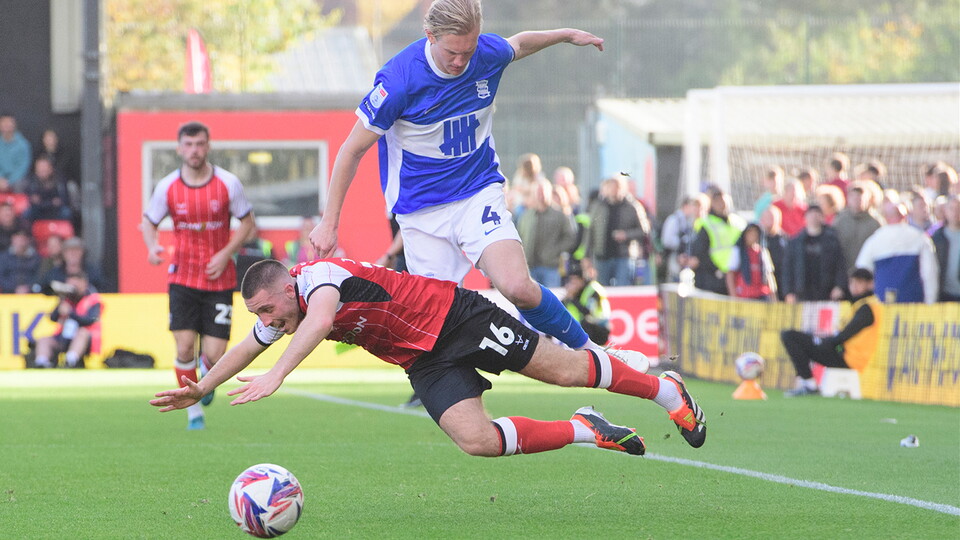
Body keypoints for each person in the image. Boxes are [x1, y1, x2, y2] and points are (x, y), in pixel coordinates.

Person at [308, 0, 621, 362]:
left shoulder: (485, 53)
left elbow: (520, 43)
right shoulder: (398, 81)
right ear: (430, 35)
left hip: (477, 192)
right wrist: (329, 223)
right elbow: (350, 151)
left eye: (468, 51)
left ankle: (592, 351)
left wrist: (566, 35)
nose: (460, 62)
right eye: (452, 52)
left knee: (518, 286)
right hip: (421, 211)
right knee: (434, 323)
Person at [150, 258, 707, 457]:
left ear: (285, 288)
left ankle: (665, 392)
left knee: (568, 369)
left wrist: (277, 374)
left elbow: (320, 322)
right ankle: (589, 432)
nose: (267, 321)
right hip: (425, 360)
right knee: (478, 442)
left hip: (457, 319)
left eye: (269, 309)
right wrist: (203, 387)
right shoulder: (282, 311)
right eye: (261, 314)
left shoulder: (318, 282)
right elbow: (247, 345)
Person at [141, 121, 256, 430]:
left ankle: (207, 376)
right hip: (182, 277)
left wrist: (226, 252)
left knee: (215, 355)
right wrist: (152, 247)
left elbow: (247, 224)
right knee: (183, 347)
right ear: (180, 149)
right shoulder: (167, 187)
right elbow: (149, 221)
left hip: (219, 278)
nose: (194, 150)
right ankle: (193, 411)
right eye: (189, 145)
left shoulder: (228, 183)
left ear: (208, 146)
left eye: (200, 144)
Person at [781, 268, 882, 397]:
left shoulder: (867, 308)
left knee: (790, 337)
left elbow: (844, 335)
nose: (854, 287)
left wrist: (824, 341)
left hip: (848, 358)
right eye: (852, 283)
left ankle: (809, 384)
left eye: (859, 283)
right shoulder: (860, 304)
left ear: (870, 284)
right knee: (799, 338)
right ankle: (808, 382)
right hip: (845, 354)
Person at [855, 199, 939, 304]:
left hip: (882, 303)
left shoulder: (874, 240)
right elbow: (930, 273)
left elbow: (861, 271)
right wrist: (930, 303)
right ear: (905, 216)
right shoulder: (920, 238)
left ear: (885, 217)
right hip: (914, 302)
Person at [587, 175, 652, 287]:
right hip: (602, 256)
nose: (613, 190)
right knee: (602, 289)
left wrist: (626, 235)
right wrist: (587, 256)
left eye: (616, 187)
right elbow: (590, 232)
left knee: (623, 287)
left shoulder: (633, 206)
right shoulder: (598, 207)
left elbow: (644, 231)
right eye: (610, 187)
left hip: (624, 257)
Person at [31, 271, 102, 369]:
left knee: (82, 333)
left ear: (83, 283)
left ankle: (70, 361)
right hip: (64, 337)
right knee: (44, 339)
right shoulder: (66, 299)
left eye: (75, 285)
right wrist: (61, 302)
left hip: (83, 339)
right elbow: (53, 318)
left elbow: (90, 320)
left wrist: (71, 313)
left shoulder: (92, 299)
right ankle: (42, 362)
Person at [781, 205, 846, 303]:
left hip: (827, 293)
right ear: (805, 218)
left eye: (817, 215)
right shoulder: (795, 242)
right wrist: (788, 292)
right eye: (811, 215)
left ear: (822, 218)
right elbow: (787, 269)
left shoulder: (832, 241)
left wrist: (839, 286)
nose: (813, 218)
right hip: (802, 293)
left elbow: (840, 266)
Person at [517, 179, 574, 287]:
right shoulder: (526, 216)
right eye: (538, 192)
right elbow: (520, 236)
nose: (541, 195)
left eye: (543, 191)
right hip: (530, 266)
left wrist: (555, 251)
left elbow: (569, 237)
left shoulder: (560, 215)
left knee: (552, 297)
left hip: (551, 266)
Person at [688, 188, 745, 295]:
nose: (721, 204)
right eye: (717, 201)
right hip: (713, 277)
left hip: (735, 276)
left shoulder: (737, 221)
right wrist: (717, 270)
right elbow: (701, 253)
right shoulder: (706, 223)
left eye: (723, 201)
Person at [832, 182, 883, 281]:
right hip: (844, 274)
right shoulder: (840, 221)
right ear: (848, 199)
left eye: (860, 198)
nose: (857, 201)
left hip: (867, 275)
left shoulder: (875, 223)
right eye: (854, 198)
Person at [561, 259, 611, 346]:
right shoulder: (577, 293)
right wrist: (567, 299)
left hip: (600, 327)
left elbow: (588, 312)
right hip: (588, 327)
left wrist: (572, 299)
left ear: (582, 280)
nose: (572, 284)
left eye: (575, 281)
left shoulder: (592, 290)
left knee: (585, 323)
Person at [33, 236, 103, 295]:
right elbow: (42, 289)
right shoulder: (54, 273)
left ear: (83, 253)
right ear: (63, 254)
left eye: (77, 250)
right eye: (69, 251)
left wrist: (86, 287)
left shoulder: (93, 272)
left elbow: (104, 291)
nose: (73, 254)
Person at [725, 223, 776, 300]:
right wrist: (733, 296)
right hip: (744, 295)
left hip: (761, 295)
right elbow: (730, 274)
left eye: (755, 233)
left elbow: (769, 275)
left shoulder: (763, 252)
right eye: (750, 233)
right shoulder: (738, 251)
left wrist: (774, 297)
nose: (753, 236)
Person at [661, 194, 704, 282]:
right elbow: (667, 241)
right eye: (692, 206)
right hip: (676, 259)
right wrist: (682, 244)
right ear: (686, 206)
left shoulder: (691, 221)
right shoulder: (674, 220)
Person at [22, 156, 73, 223]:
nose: (42, 170)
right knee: (27, 213)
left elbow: (64, 200)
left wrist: (46, 202)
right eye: (39, 167)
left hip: (56, 210)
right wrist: (51, 202)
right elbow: (32, 200)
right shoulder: (32, 181)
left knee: (66, 212)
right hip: (38, 210)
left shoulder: (59, 180)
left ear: (51, 169)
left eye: (44, 167)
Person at [931, 194, 960, 302]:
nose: (955, 212)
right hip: (945, 294)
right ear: (945, 211)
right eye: (952, 209)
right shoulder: (937, 237)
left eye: (958, 209)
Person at [0, 228, 39, 293]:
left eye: (22, 240)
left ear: (28, 241)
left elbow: (39, 277)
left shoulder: (36, 258)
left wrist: (28, 287)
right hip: (8, 293)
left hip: (30, 293)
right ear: (12, 240)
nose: (20, 243)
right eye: (17, 240)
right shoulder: (3, 257)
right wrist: (15, 288)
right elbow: (1, 277)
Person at [0, 112, 31, 192]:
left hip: (17, 179)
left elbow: (23, 167)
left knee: (19, 184)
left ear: (14, 125)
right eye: (3, 122)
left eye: (9, 122)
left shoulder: (23, 144)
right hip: (1, 178)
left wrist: (9, 181)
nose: (6, 125)